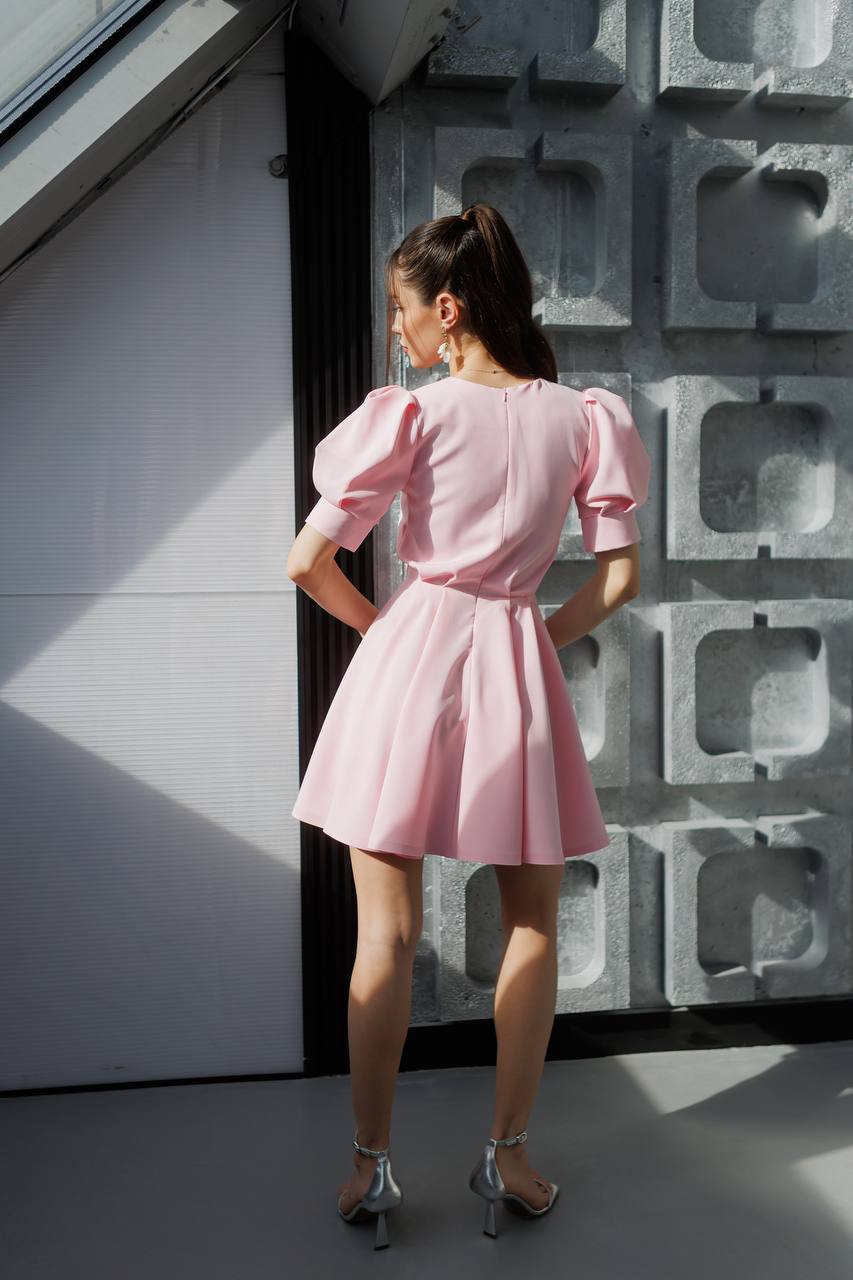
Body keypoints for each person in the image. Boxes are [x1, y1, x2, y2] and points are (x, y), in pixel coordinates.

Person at [287, 203, 651, 1247]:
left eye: (399, 310)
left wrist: (385, 634)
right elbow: (619, 578)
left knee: (385, 933)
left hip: (410, 661)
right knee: (532, 923)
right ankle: (510, 1156)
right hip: (513, 665)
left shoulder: (409, 415)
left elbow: (307, 562)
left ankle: (370, 1167)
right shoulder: (584, 417)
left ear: (445, 310)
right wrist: (535, 635)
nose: (395, 329)